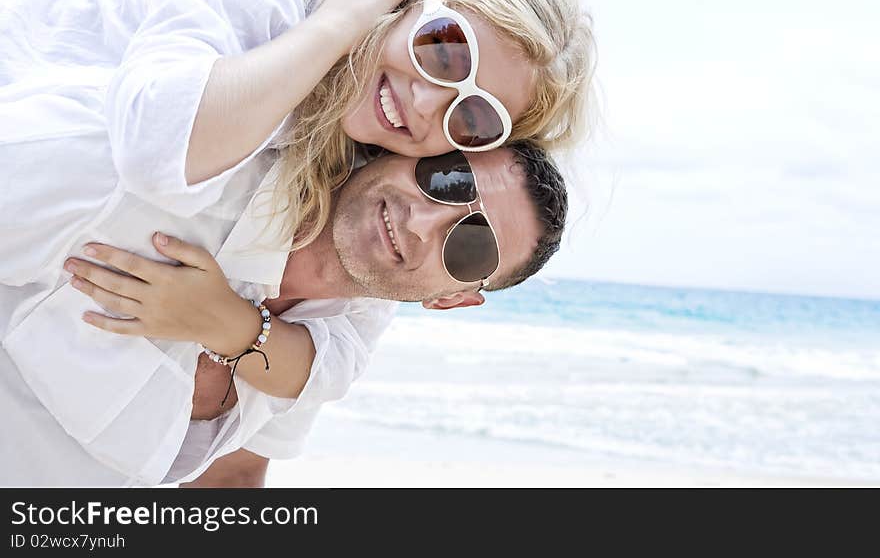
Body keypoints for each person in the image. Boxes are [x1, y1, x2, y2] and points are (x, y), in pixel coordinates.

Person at [0, 142, 568, 486]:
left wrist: (226, 326)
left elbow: (236, 474)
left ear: (452, 299)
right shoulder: (205, 186)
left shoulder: (345, 326)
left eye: (471, 246)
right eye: (448, 178)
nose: (423, 222)